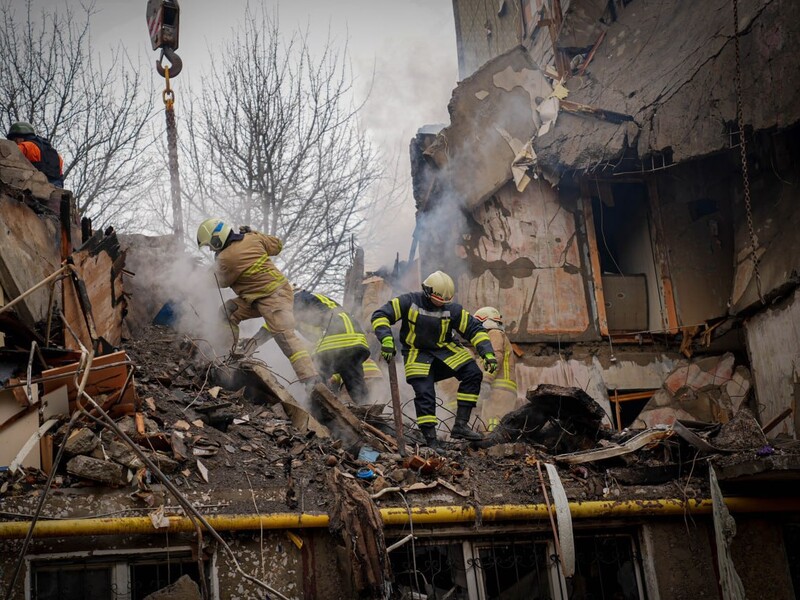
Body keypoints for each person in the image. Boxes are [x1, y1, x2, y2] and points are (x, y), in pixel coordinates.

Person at [371, 270, 497, 450]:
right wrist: (386, 339)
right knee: (425, 394)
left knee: (473, 373)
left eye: (446, 301)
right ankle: (431, 440)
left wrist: (488, 353)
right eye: (439, 300)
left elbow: (474, 329)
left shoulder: (452, 309)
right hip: (417, 353)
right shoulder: (408, 301)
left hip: (446, 350)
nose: (442, 304)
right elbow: (380, 315)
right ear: (427, 291)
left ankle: (461, 425)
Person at [196, 218, 318, 385]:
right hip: (259, 298)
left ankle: (311, 382)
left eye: (211, 245)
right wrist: (254, 233)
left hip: (274, 298)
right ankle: (229, 355)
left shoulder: (226, 258)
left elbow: (215, 281)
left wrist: (193, 274)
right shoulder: (252, 238)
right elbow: (277, 245)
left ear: (218, 238)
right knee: (228, 311)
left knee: (286, 338)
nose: (211, 249)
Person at [243, 289, 370, 404]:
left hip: (336, 335)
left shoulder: (295, 301)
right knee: (354, 383)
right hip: (356, 338)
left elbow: (273, 326)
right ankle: (371, 416)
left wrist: (251, 345)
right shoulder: (314, 300)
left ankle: (318, 412)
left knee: (312, 375)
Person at [473, 306, 519, 431]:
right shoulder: (496, 334)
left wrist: (486, 380)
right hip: (499, 388)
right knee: (489, 423)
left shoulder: (494, 333)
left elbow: (495, 356)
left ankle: (494, 448)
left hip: (498, 388)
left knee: (493, 424)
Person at [6, 122, 64, 187]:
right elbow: (60, 174)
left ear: (20, 137)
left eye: (15, 139)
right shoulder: (57, 155)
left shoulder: (27, 146)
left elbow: (8, 154)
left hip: (36, 186)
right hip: (55, 188)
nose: (15, 143)